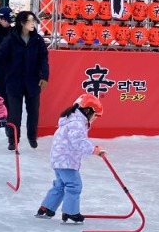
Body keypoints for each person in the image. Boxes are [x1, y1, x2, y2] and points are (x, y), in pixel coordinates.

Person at [34, 93, 106, 223]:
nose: (95, 119)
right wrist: (93, 150)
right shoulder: (77, 124)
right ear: (88, 110)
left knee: (60, 185)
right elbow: (78, 142)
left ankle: (46, 208)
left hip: (59, 159)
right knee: (74, 185)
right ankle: (70, 212)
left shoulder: (71, 121)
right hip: (66, 161)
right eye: (95, 116)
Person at [0, 10, 50, 151]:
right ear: (22, 23)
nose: (33, 24)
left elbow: (43, 59)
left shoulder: (37, 40)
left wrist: (44, 77)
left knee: (33, 111)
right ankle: (13, 139)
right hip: (14, 82)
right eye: (30, 21)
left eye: (34, 21)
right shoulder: (10, 39)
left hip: (33, 82)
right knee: (14, 114)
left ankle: (32, 136)